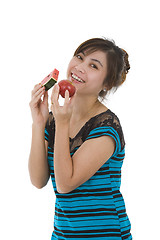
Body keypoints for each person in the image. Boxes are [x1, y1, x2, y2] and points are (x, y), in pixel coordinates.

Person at [29, 37, 132, 240]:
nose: (80, 67)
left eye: (93, 65)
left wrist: (62, 122)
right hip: (63, 234)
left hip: (105, 235)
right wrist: (39, 123)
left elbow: (65, 184)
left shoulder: (106, 126)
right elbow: (38, 180)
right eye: (79, 57)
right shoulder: (57, 117)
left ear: (107, 84)